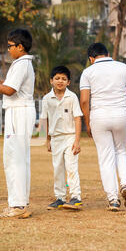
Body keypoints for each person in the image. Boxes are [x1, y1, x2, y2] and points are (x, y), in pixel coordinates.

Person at [0, 28, 35, 219]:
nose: (8, 50)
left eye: (11, 46)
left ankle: (18, 204)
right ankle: (19, 202)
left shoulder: (22, 64)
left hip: (19, 112)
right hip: (18, 111)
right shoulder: (21, 64)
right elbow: (11, 85)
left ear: (20, 47)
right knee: (17, 158)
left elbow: (10, 90)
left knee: (15, 159)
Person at [79, 43, 126, 212]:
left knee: (106, 158)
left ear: (91, 58)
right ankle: (125, 184)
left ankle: (113, 199)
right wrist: (123, 110)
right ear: (108, 54)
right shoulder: (123, 67)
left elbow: (84, 101)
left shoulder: (88, 72)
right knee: (121, 151)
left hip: (99, 116)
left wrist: (88, 122)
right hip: (120, 114)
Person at [40, 66, 83, 211]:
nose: (60, 81)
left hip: (70, 137)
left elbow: (77, 118)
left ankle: (76, 197)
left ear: (68, 82)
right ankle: (60, 198)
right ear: (51, 81)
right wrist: (47, 140)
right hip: (56, 138)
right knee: (57, 168)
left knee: (71, 167)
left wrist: (77, 141)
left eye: (64, 79)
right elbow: (44, 120)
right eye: (57, 78)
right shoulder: (47, 98)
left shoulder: (72, 97)